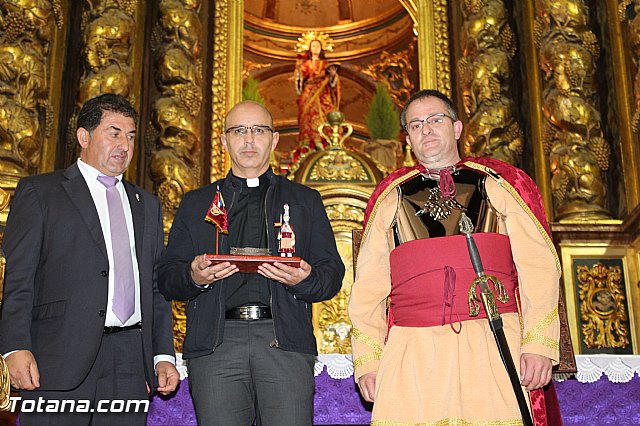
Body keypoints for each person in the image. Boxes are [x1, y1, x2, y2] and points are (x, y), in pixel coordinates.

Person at [348, 89, 561, 424]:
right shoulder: (392, 196)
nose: (426, 130)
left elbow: (539, 268)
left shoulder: (498, 184)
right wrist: (369, 361)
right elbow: (369, 289)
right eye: (416, 125)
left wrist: (539, 344)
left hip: (490, 339)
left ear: (457, 128)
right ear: (408, 138)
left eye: (435, 120)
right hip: (412, 349)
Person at [158, 100, 344, 425]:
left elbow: (332, 277)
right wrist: (194, 275)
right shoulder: (196, 203)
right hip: (217, 344)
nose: (248, 139)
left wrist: (304, 279)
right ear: (224, 140)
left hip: (283, 340)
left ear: (273, 140)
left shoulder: (304, 201)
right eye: (239, 131)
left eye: (258, 130)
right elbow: (166, 278)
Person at [0, 93, 179, 425]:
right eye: (114, 132)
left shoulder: (147, 205)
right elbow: (18, 279)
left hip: (128, 362)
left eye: (130, 135)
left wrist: (162, 355)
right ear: (84, 137)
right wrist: (14, 347)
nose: (124, 144)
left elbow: (155, 288)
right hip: (57, 356)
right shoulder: (41, 193)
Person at [295, 38, 340, 150]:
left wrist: (333, 75)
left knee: (326, 114)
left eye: (318, 46)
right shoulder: (306, 64)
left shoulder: (326, 64)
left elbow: (333, 83)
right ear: (310, 48)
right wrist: (298, 73)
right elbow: (300, 80)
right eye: (313, 46)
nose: (315, 48)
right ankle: (308, 142)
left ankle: (323, 139)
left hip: (323, 93)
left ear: (321, 49)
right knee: (308, 115)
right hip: (309, 92)